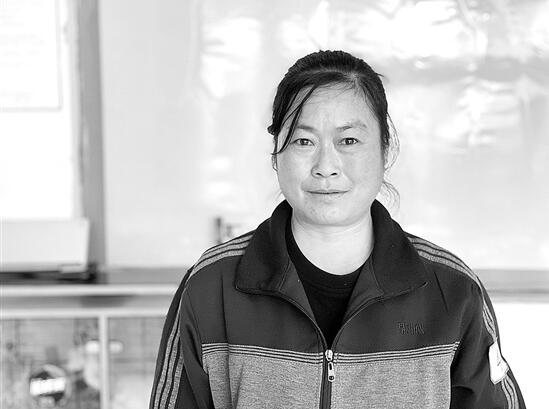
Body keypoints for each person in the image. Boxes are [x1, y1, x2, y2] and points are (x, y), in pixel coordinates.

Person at [150, 50, 525, 409]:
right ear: (276, 154)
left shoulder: (451, 290)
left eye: (348, 140)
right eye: (303, 141)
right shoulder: (212, 286)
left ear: (386, 150)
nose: (326, 166)